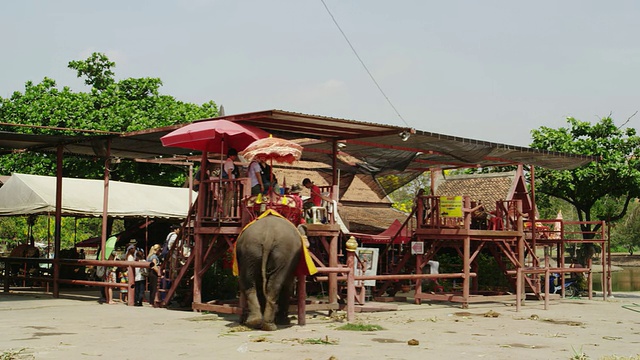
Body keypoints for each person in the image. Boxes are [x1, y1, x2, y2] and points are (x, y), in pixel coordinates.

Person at [221, 148, 239, 217]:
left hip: (227, 182)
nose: (235, 157)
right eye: (234, 156)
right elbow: (229, 173)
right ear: (231, 156)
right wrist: (231, 183)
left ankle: (225, 214)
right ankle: (226, 214)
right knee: (228, 199)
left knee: (227, 198)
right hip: (229, 182)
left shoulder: (227, 162)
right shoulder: (229, 162)